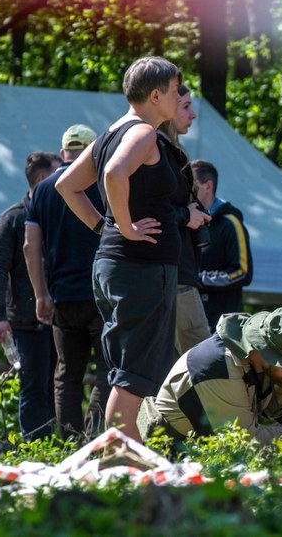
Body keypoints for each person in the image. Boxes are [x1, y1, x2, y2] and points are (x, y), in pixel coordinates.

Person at [57, 56, 182, 441]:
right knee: (132, 376)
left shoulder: (110, 132)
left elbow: (67, 185)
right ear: (156, 95)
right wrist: (124, 227)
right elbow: (113, 174)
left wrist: (103, 225)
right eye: (176, 92)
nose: (180, 99)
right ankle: (121, 467)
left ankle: (125, 459)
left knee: (127, 371)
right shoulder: (142, 134)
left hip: (115, 265)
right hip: (140, 268)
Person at [138, 307, 282, 444]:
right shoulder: (215, 369)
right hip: (175, 458)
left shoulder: (266, 363)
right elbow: (246, 442)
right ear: (266, 351)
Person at [25, 125, 111, 438]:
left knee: (66, 375)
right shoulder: (103, 183)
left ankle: (70, 444)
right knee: (106, 370)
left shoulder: (42, 190)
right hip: (101, 295)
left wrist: (40, 295)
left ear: (63, 153)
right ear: (93, 152)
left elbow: (29, 245)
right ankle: (93, 441)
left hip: (61, 297)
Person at [0, 151, 61, 440]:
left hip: (58, 319)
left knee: (57, 385)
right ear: (42, 179)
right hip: (25, 321)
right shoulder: (12, 220)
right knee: (33, 387)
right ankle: (34, 447)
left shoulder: (57, 216)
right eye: (57, 173)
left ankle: (57, 443)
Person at [156, 85, 213, 355]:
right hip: (173, 277)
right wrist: (185, 215)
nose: (193, 115)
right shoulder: (156, 150)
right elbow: (150, 207)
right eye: (186, 106)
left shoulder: (169, 151)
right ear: (166, 108)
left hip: (175, 275)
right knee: (203, 362)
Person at [190, 159, 253, 331]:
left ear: (208, 186)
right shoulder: (187, 221)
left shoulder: (230, 223)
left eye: (192, 186)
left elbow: (242, 271)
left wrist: (199, 279)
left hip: (223, 327)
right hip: (192, 320)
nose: (187, 192)